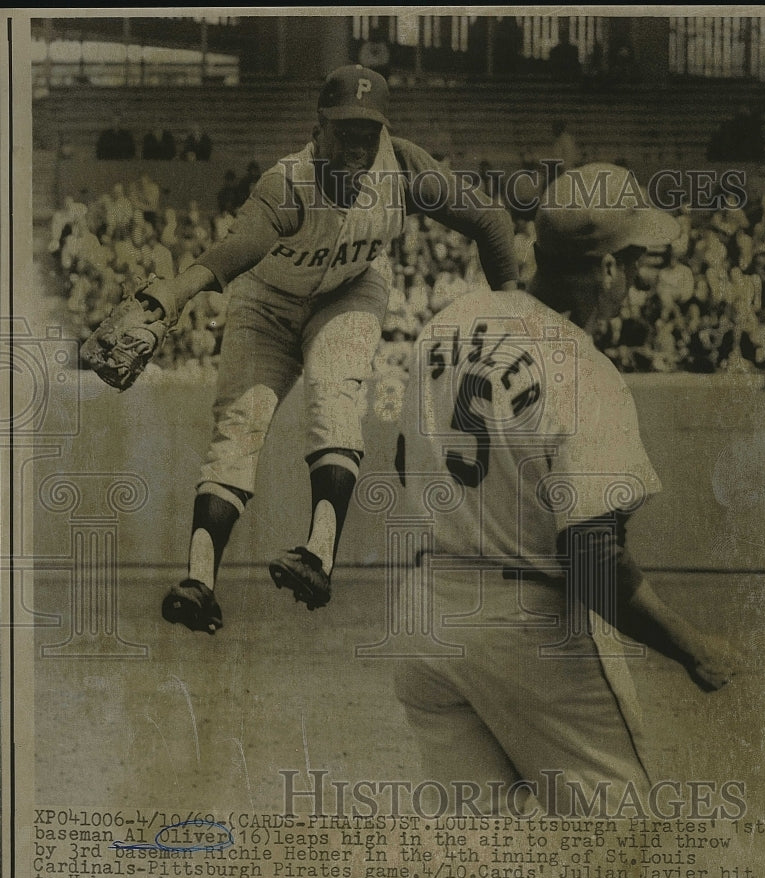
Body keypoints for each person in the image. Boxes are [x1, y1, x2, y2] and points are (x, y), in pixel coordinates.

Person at [392, 163, 739, 817]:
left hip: (427, 613)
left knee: (473, 867)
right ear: (605, 269)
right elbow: (593, 558)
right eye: (633, 263)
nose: (634, 282)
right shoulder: (582, 368)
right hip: (528, 630)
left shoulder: (448, 321)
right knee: (618, 848)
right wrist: (693, 647)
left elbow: (410, 462)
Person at [145, 65, 518, 633]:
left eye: (369, 133)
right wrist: (176, 290)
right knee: (239, 428)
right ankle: (199, 580)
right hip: (267, 302)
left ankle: (318, 556)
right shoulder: (287, 183)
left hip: (350, 289)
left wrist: (520, 315)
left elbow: (490, 221)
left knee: (336, 396)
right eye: (346, 131)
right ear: (318, 128)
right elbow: (240, 248)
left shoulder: (403, 166)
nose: (359, 146)